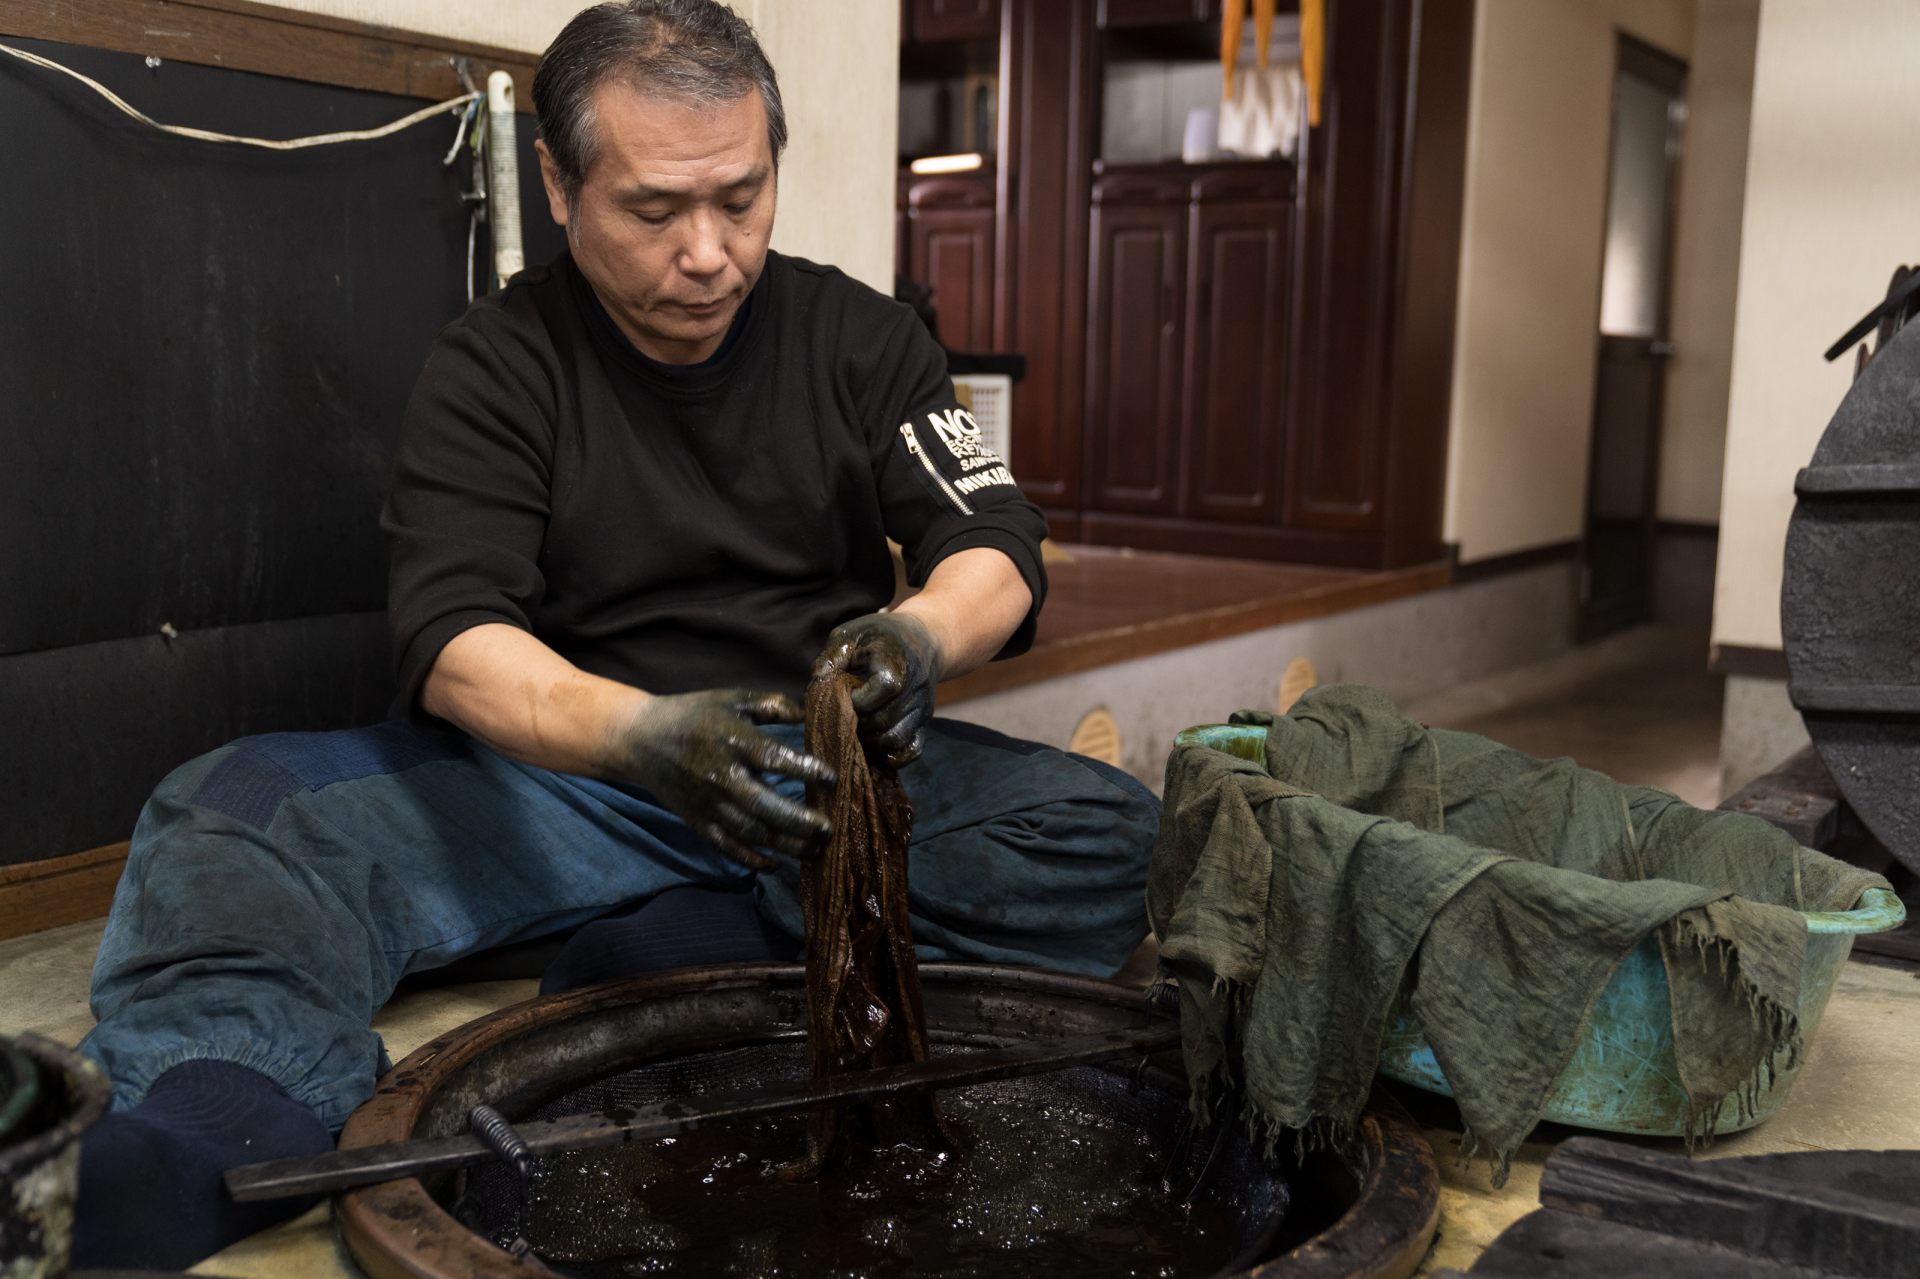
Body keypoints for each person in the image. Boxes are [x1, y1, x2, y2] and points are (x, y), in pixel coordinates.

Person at [69, 0, 1158, 1268]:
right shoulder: (495, 368)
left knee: (1104, 832)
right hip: (567, 780)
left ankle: (698, 943)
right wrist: (644, 738)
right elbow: (457, 637)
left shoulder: (864, 338)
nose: (709, 253)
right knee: (232, 809)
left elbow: (994, 544)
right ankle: (219, 1137)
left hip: (808, 787)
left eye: (742, 200)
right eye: (654, 211)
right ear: (559, 180)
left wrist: (918, 638)